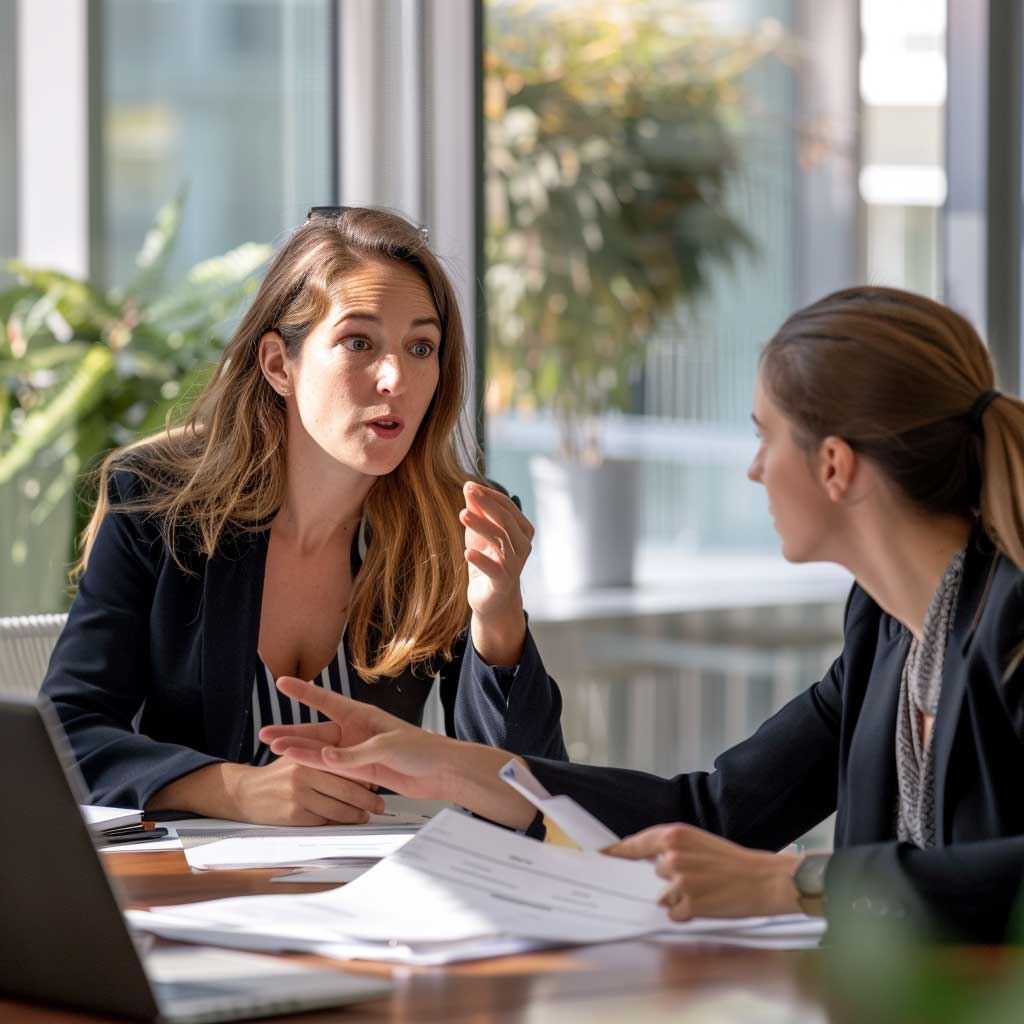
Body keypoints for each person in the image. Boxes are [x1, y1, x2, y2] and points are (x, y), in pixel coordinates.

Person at [261, 286, 1024, 942]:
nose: (754, 468)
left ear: (834, 465)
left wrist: (796, 884)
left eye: (764, 437)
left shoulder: (1012, 622)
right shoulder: (887, 630)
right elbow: (715, 813)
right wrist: (447, 764)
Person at [41, 206, 566, 825]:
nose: (396, 377)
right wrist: (232, 790)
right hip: (200, 897)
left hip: (375, 891)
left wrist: (497, 619)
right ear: (277, 364)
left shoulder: (454, 523)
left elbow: (528, 794)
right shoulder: (159, 505)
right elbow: (64, 736)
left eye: (421, 346)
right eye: (358, 342)